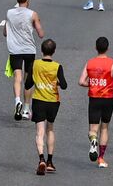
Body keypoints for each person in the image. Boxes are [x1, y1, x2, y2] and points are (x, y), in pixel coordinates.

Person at [79, 35, 113, 168]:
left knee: (93, 129)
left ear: (96, 48)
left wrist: (92, 84)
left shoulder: (90, 63)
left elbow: (81, 81)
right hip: (108, 99)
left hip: (94, 98)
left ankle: (93, 140)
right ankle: (101, 158)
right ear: (107, 48)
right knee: (104, 127)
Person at [4, 0, 45, 122]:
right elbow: (41, 34)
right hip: (29, 50)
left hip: (14, 50)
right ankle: (26, 109)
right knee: (28, 80)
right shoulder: (32, 14)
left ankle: (17, 101)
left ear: (18, 0)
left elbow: (5, 32)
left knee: (17, 76)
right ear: (27, 0)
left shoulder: (9, 13)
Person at [29, 38, 68, 175]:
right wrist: (55, 83)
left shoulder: (35, 64)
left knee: (39, 132)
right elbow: (64, 85)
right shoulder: (57, 66)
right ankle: (50, 161)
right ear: (54, 51)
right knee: (50, 129)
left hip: (39, 100)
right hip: (53, 101)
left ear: (41, 50)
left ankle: (41, 159)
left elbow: (28, 84)